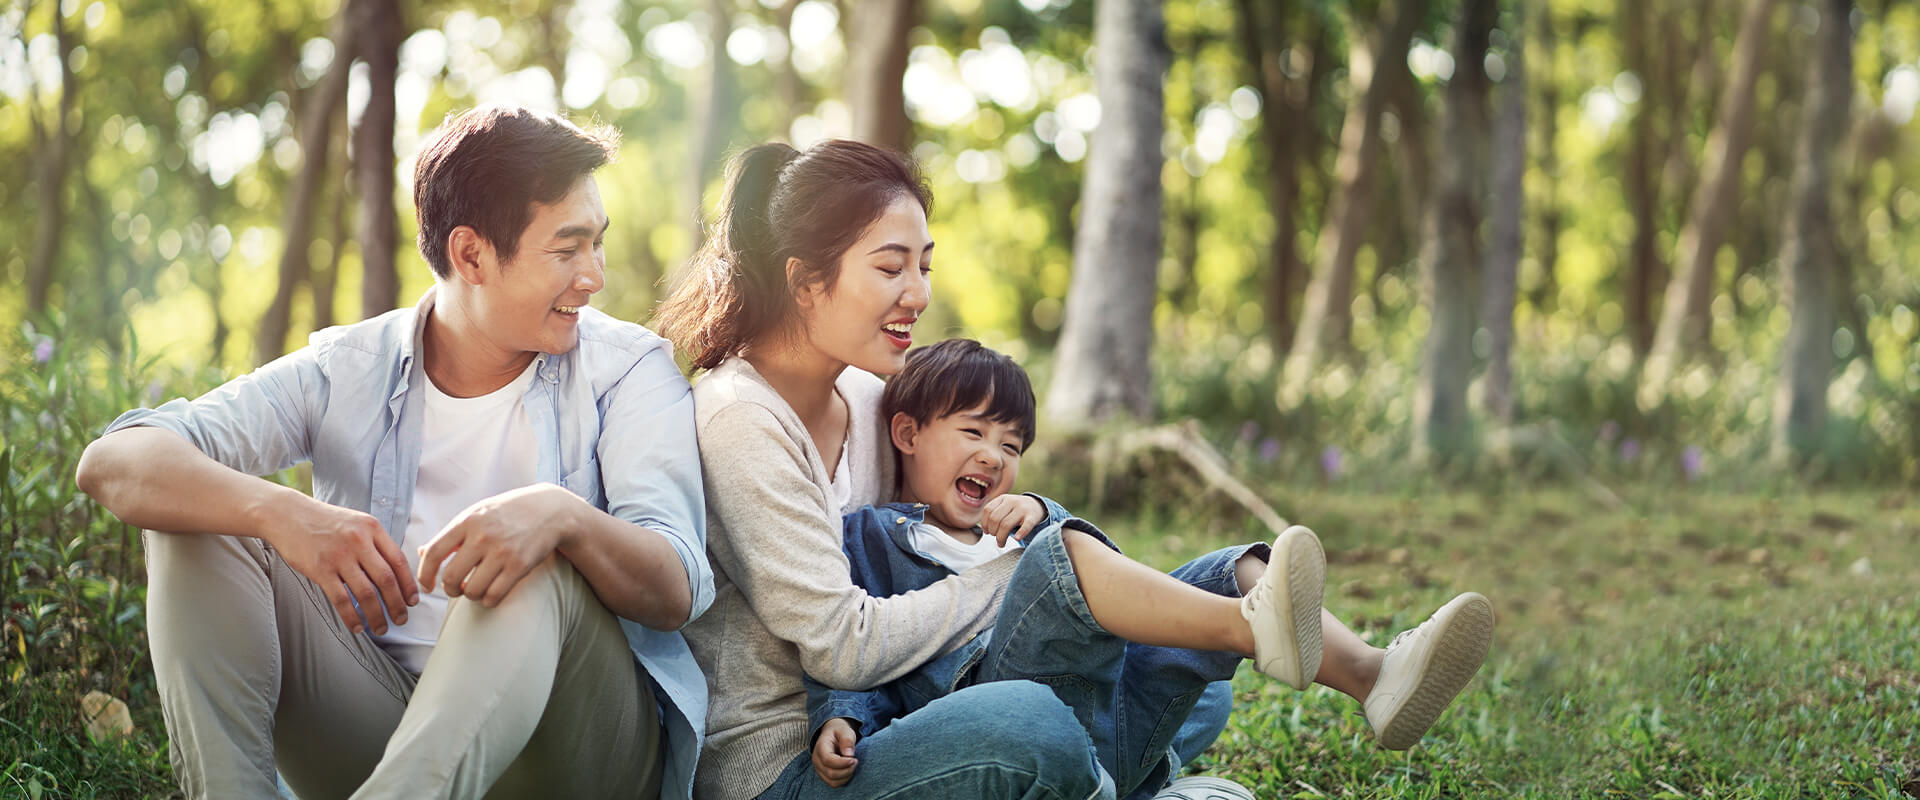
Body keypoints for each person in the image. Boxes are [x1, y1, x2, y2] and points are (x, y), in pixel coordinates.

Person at [75, 106, 713, 800]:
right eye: (568, 249)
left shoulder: (626, 370)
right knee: (201, 518)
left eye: (598, 244)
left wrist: (562, 517)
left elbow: (674, 584)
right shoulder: (349, 368)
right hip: (383, 728)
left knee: (530, 556)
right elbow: (114, 461)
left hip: (573, 751)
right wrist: (280, 513)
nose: (594, 275)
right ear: (471, 255)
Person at [804, 339, 1495, 794]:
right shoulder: (875, 536)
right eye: (974, 432)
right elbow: (859, 646)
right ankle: (1249, 643)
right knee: (1065, 558)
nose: (994, 456)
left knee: (1232, 568)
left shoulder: (1026, 521)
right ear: (908, 433)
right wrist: (845, 717)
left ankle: (1374, 675)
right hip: (1003, 719)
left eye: (1012, 445)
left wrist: (1042, 510)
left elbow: (1103, 579)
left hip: (1097, 720)